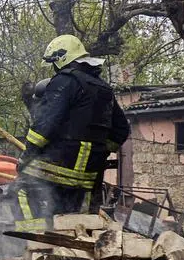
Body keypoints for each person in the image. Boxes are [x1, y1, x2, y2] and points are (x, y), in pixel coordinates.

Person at [14, 34, 129, 229]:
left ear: (61, 59)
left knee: (21, 188)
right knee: (77, 215)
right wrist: (99, 152)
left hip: (60, 165)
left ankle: (34, 240)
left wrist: (26, 157)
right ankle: (74, 248)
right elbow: (121, 130)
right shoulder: (104, 88)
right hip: (89, 174)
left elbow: (44, 127)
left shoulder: (65, 81)